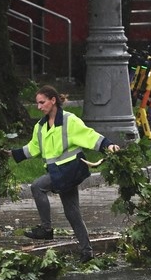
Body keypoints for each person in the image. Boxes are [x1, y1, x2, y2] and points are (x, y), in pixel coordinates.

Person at [8, 85, 121, 263]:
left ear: (53, 100)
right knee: (72, 213)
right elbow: (33, 148)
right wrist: (11, 154)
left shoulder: (69, 120)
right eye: (37, 103)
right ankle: (87, 252)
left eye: (42, 102)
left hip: (69, 171)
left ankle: (46, 229)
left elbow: (89, 136)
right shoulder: (41, 126)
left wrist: (108, 145)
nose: (39, 107)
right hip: (58, 173)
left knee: (37, 187)